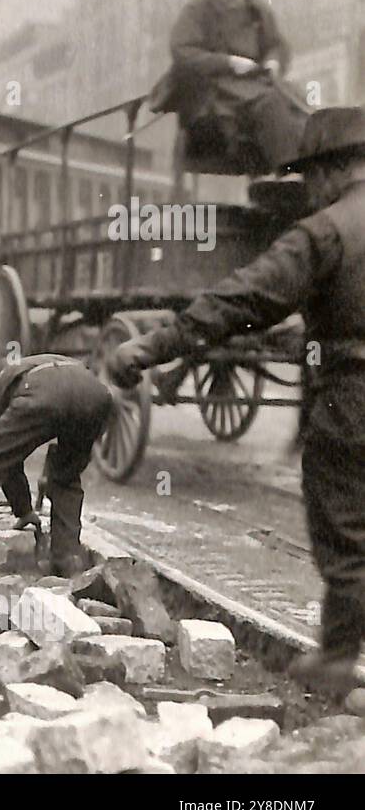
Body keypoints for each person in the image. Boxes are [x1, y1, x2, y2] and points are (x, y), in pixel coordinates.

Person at [109, 106, 365, 697]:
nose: (308, 190)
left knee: (346, 528)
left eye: (309, 178)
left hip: (351, 401)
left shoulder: (324, 232)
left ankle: (340, 660)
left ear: (330, 172)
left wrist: (156, 345)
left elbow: (243, 300)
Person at [0, 353, 113, 578]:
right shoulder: (41, 362)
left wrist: (23, 509)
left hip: (42, 394)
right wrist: (25, 510)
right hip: (96, 395)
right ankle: (68, 562)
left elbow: (5, 466)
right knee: (66, 476)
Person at [152, 0, 306, 175]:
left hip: (255, 82)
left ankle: (308, 172)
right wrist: (229, 63)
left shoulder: (255, 9)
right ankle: (288, 172)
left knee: (296, 98)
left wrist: (274, 61)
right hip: (218, 89)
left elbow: (276, 43)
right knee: (270, 104)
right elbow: (182, 50)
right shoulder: (198, 10)